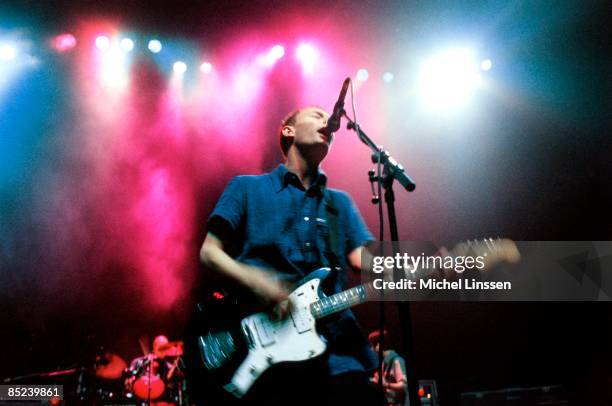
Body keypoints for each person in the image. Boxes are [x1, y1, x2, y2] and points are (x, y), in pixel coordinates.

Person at [199, 106, 381, 404]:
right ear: (288, 130)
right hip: (271, 355)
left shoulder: (340, 204)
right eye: (317, 115)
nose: (327, 121)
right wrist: (255, 279)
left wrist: (432, 269)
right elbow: (209, 253)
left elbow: (366, 261)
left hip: (338, 354)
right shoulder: (246, 187)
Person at [368, 329, 408, 406]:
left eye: (371, 346)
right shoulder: (384, 363)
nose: (371, 350)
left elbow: (404, 385)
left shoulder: (396, 361)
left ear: (378, 345)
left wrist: (386, 384)